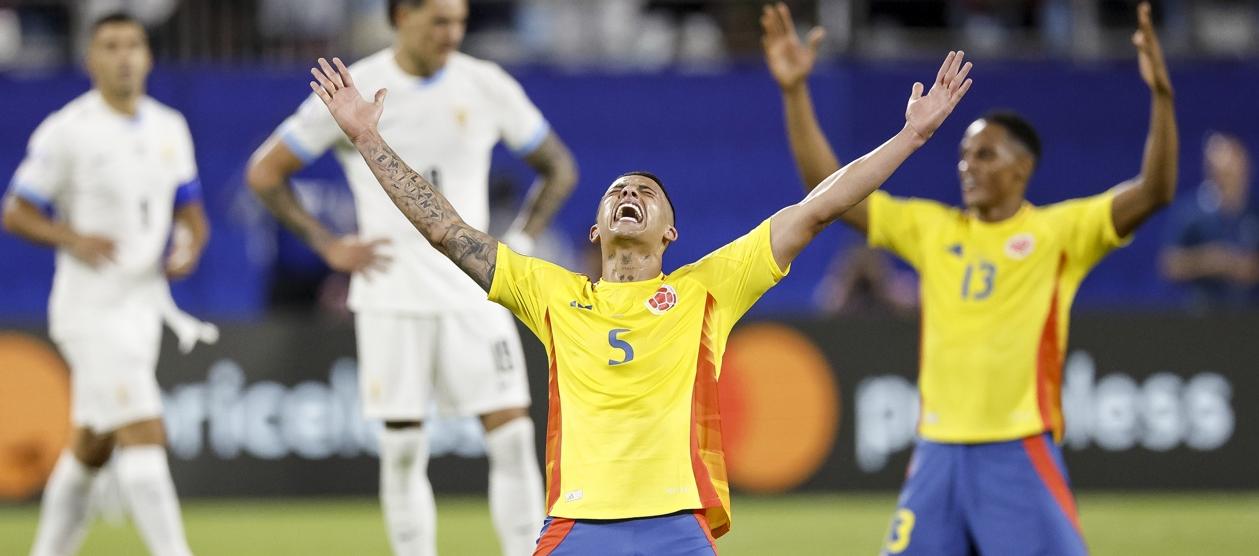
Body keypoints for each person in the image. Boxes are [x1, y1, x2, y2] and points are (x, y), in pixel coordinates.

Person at [304, 39, 971, 552]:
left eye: (647, 193)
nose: (631, 194)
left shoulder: (708, 287)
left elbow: (816, 208)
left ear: (670, 232)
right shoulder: (550, 292)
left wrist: (911, 135)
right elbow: (445, 230)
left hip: (675, 528)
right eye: (618, 191)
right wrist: (366, 137)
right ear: (594, 229)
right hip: (576, 525)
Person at [761, 2, 1177, 554]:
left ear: (1021, 169)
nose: (968, 166)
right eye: (963, 154)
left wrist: (1163, 98)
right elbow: (826, 190)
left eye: (985, 155)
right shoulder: (932, 229)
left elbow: (1154, 192)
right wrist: (794, 92)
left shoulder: (1060, 233)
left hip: (1017, 447)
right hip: (936, 452)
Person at [244, 1, 577, 554]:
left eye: (459, 22)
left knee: (514, 437)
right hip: (391, 293)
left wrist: (520, 241)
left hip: (474, 295)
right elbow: (265, 172)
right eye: (438, 21)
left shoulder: (486, 83)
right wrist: (328, 243)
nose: (451, 33)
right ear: (400, 17)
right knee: (401, 448)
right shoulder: (358, 88)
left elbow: (558, 167)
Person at [2, 12, 214, 556]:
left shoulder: (170, 126)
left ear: (148, 57)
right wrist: (71, 236)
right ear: (91, 59)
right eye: (111, 46)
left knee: (92, 445)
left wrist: (188, 245)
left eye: (133, 45)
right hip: (89, 308)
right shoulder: (68, 130)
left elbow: (191, 210)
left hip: (142, 308)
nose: (124, 56)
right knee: (143, 428)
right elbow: (17, 210)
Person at [1160, 132, 1258, 311]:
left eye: (1233, 171)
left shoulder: (1254, 210)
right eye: (1222, 173)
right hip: (1204, 313)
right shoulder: (1190, 212)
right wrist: (1211, 261)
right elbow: (1170, 265)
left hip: (1250, 312)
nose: (1229, 178)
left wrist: (1246, 266)